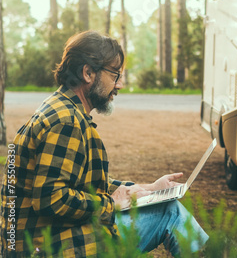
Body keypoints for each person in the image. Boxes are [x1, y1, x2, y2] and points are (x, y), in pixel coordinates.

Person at [0, 31, 208, 257]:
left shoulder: (61, 109)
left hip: (49, 238)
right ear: (88, 73)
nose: (119, 85)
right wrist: (108, 204)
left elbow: (76, 182)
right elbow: (51, 198)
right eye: (114, 75)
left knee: (165, 206)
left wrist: (146, 190)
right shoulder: (66, 122)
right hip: (53, 247)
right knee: (170, 213)